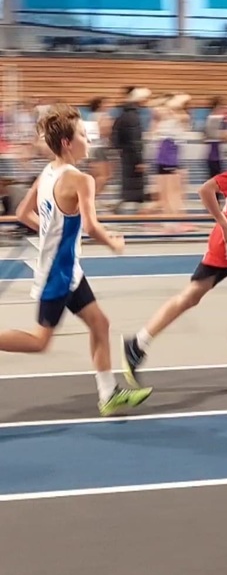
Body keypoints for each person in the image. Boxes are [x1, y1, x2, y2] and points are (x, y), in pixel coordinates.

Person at [0, 104, 152, 415]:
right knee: (40, 341)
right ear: (67, 142)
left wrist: (51, 232)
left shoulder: (48, 172)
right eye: (83, 135)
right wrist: (113, 242)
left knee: (100, 323)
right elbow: (92, 227)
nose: (89, 139)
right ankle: (108, 392)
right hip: (58, 273)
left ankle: (108, 394)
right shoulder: (81, 180)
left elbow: (23, 213)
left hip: (68, 270)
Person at [122, 110, 227, 376]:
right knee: (194, 296)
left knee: (193, 297)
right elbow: (205, 190)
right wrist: (225, 226)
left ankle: (139, 343)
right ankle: (139, 343)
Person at [112, 87, 150, 211]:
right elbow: (135, 139)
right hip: (132, 157)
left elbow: (116, 136)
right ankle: (138, 212)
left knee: (129, 187)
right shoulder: (133, 116)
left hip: (126, 155)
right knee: (135, 188)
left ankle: (132, 209)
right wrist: (139, 160)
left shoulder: (123, 114)